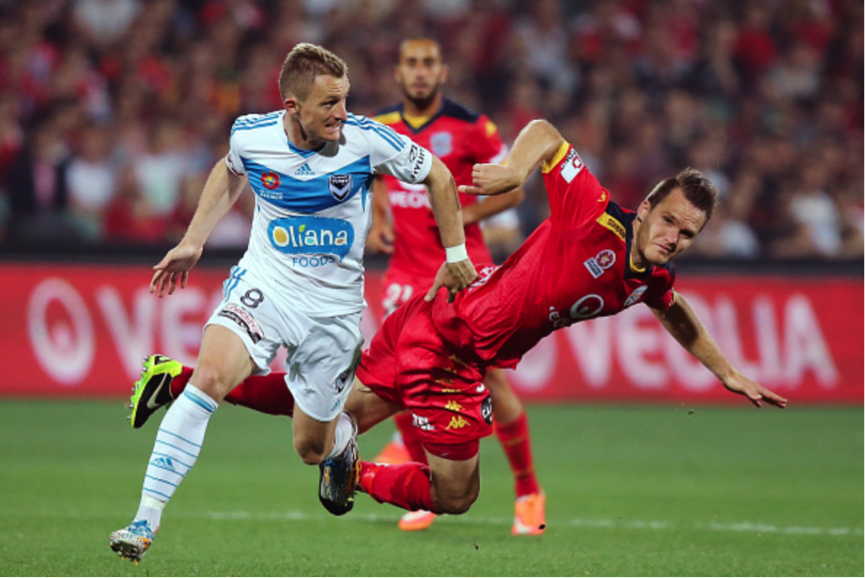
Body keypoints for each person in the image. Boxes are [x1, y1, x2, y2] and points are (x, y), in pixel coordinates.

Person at [128, 118, 787, 535]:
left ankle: (181, 378)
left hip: (429, 323)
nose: (673, 237)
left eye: (687, 234)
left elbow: (674, 311)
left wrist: (725, 371)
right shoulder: (594, 214)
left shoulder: (649, 278)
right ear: (645, 208)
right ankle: (352, 471)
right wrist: (514, 169)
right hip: (452, 348)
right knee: (457, 494)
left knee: (325, 423)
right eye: (668, 221)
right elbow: (545, 133)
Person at [109, 42, 477, 564]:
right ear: (292, 107)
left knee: (311, 448)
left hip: (333, 313)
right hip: (266, 288)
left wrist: (456, 252)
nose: (342, 114)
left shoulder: (366, 141)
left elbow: (439, 175)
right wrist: (194, 240)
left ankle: (340, 445)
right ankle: (145, 519)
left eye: (344, 100)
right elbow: (230, 169)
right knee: (211, 378)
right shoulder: (251, 135)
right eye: (329, 104)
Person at [365, 37, 544, 534]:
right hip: (405, 273)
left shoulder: (472, 126)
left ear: (442, 72)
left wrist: (462, 215)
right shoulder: (380, 127)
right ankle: (426, 487)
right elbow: (377, 177)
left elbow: (516, 186)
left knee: (492, 380)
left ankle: (529, 491)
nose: (420, 73)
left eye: (428, 64)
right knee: (402, 382)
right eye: (411, 64)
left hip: (462, 270)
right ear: (398, 73)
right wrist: (380, 220)